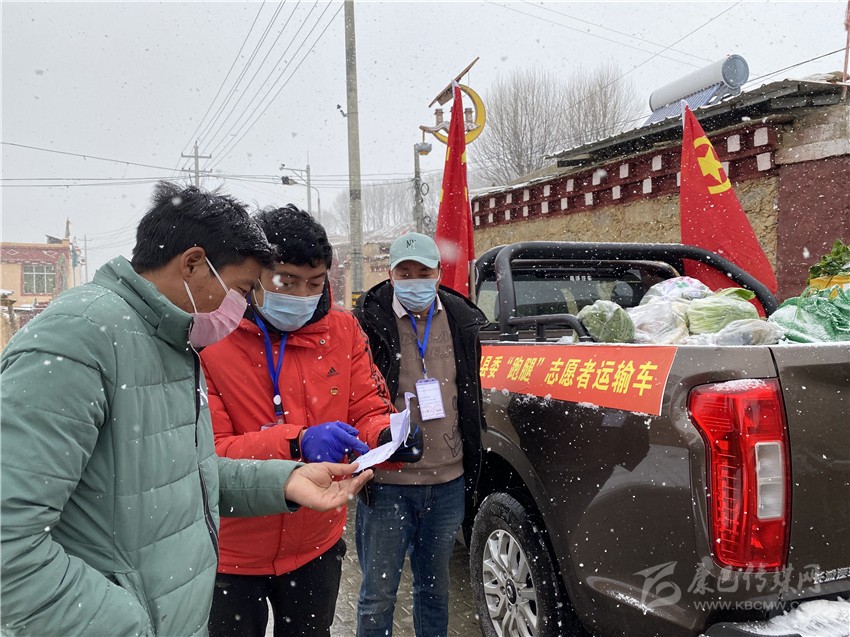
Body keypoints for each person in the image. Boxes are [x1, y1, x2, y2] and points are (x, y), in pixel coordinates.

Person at [0, 182, 372, 637]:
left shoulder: (169, 340)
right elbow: (10, 544)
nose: (242, 307)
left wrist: (285, 480)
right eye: (240, 289)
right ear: (194, 263)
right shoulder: (79, 339)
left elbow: (184, 477)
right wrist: (130, 624)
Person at [201, 205, 405, 637]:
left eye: (314, 284)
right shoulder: (211, 337)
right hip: (230, 553)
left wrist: (387, 435)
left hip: (316, 541)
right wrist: (296, 443)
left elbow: (368, 405)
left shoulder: (342, 329)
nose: (301, 296)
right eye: (286, 282)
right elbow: (209, 452)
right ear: (255, 275)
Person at [353, 231, 488, 637]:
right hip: (388, 483)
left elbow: (471, 393)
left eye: (424, 272)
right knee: (378, 596)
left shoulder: (461, 319)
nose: (415, 281)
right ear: (390, 275)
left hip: (447, 483)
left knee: (435, 591)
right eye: (405, 272)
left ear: (439, 273)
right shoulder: (369, 322)